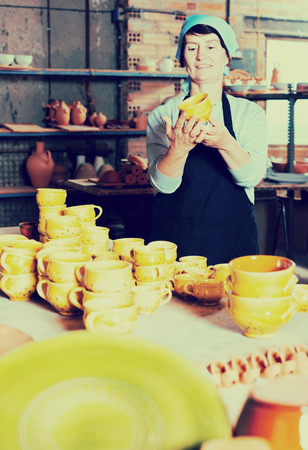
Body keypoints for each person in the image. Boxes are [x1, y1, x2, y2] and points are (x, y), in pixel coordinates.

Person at [146, 14, 267, 265]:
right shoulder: (162, 116)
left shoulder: (249, 114)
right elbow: (161, 185)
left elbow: (252, 177)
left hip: (233, 241)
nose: (201, 56)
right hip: (175, 243)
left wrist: (226, 142)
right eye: (192, 47)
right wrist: (177, 150)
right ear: (182, 58)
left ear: (226, 57)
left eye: (211, 46)